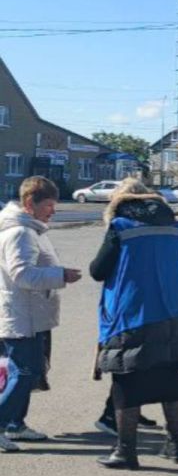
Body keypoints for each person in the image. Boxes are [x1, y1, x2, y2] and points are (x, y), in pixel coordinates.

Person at [90, 178, 178, 469]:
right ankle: (175, 445)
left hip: (133, 314)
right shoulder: (175, 228)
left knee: (127, 381)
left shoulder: (121, 227)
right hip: (175, 312)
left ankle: (125, 450)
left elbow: (98, 271)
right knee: (172, 377)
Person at [0, 177, 81, 453]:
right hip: (22, 315)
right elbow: (22, 275)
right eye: (48, 205)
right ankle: (3, 423)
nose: (53, 211)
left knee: (23, 370)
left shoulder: (29, 229)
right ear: (29, 204)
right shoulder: (20, 233)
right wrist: (61, 275)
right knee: (25, 371)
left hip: (28, 313)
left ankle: (15, 424)